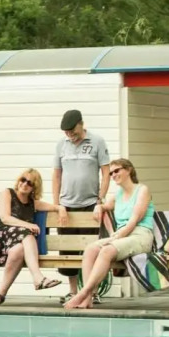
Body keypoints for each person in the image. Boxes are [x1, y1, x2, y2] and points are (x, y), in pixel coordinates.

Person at [64, 158, 154, 310]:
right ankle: (88, 300)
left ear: (129, 170)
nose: (113, 175)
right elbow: (104, 207)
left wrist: (116, 237)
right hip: (121, 237)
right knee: (91, 249)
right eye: (111, 173)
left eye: (117, 170)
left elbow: (134, 220)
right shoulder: (118, 194)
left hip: (140, 235)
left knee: (106, 250)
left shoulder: (142, 190)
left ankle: (84, 293)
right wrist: (99, 208)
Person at [51, 109, 113, 298]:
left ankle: (91, 291)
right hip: (67, 206)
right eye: (67, 132)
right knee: (68, 250)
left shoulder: (97, 142)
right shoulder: (61, 145)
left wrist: (100, 199)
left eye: (73, 131)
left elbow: (106, 172)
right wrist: (57, 204)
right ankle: (73, 291)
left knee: (91, 249)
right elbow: (57, 174)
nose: (70, 135)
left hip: (90, 204)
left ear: (81, 124)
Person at [0, 170, 63, 305]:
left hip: (14, 242)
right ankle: (38, 277)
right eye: (23, 180)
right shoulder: (7, 193)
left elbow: (54, 207)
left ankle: (0, 294)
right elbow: (5, 218)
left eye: (30, 183)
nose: (25, 184)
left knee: (18, 250)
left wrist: (61, 209)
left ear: (34, 187)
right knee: (27, 234)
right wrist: (28, 225)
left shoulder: (33, 203)